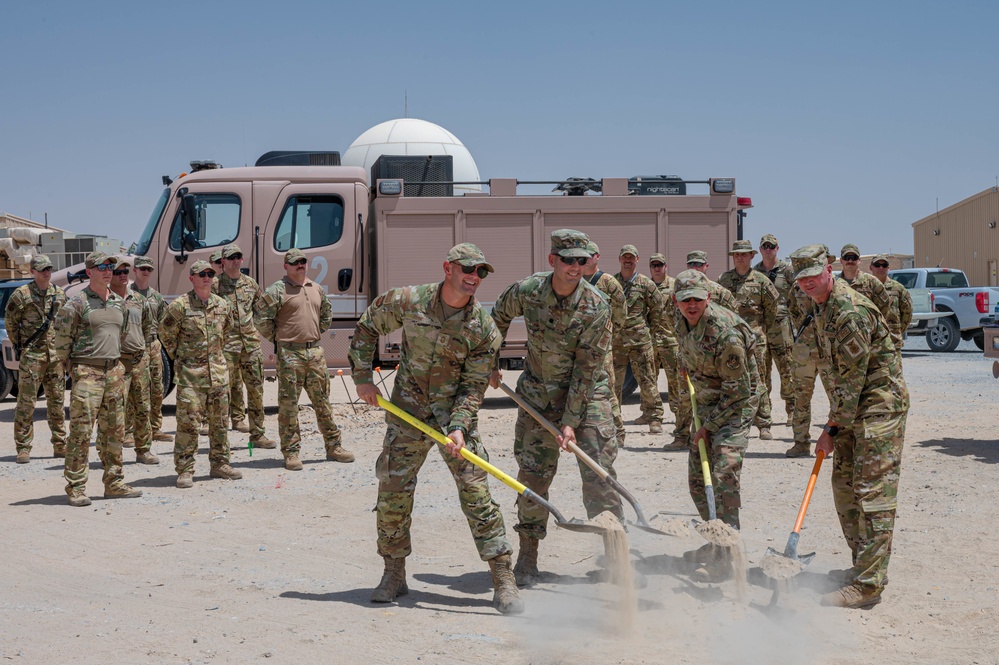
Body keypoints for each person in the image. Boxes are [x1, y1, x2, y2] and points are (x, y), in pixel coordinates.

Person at [349, 243, 523, 615]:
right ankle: (394, 572)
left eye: (481, 272)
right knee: (393, 489)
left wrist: (460, 427)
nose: (474, 277)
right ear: (448, 268)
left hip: (452, 420)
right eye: (468, 269)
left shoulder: (483, 329)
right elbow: (366, 327)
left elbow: (473, 386)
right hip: (408, 412)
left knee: (477, 494)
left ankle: (502, 576)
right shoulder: (409, 300)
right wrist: (363, 377)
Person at [490, 229, 623, 586]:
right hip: (537, 394)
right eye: (568, 260)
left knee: (599, 473)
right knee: (533, 475)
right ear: (552, 260)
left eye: (582, 261)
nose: (575, 267)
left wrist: (570, 422)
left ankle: (615, 559)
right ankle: (528, 557)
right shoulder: (529, 291)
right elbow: (497, 317)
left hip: (587, 394)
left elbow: (586, 367)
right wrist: (490, 357)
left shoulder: (597, 306)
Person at [790, 244, 909, 609]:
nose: (808, 283)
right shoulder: (820, 307)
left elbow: (854, 380)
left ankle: (869, 586)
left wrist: (830, 427)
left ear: (829, 268)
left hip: (877, 409)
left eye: (814, 275)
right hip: (850, 409)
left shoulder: (849, 310)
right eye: (802, 279)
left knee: (872, 493)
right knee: (844, 486)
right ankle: (864, 568)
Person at [53, 251, 143, 507]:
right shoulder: (77, 303)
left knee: (114, 432)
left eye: (110, 267)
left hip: (114, 372)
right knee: (81, 433)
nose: (107, 271)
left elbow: (123, 334)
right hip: (87, 373)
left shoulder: (118, 302)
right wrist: (73, 368)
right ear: (89, 271)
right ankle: (76, 487)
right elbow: (61, 342)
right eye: (101, 266)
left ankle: (113, 483)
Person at [672, 270, 758, 533]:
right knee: (698, 479)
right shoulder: (683, 321)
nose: (692, 306)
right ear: (677, 302)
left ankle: (729, 540)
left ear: (708, 297)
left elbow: (738, 392)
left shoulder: (727, 333)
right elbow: (689, 351)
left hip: (736, 404)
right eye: (686, 300)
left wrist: (707, 428)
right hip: (709, 403)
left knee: (723, 473)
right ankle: (713, 536)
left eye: (697, 299)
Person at [254, 248, 353, 471]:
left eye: (302, 261)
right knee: (289, 406)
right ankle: (291, 453)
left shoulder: (316, 288)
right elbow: (261, 320)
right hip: (290, 355)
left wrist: (314, 333)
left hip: (315, 352)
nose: (300, 265)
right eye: (294, 262)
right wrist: (280, 339)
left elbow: (326, 315)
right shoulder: (277, 290)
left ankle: (334, 446)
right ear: (286, 266)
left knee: (323, 403)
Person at [160, 260, 243, 488]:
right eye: (201, 274)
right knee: (188, 425)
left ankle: (220, 464)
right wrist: (183, 356)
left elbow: (226, 332)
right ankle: (185, 470)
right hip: (190, 376)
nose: (207, 277)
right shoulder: (180, 306)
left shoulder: (222, 305)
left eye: (210, 273)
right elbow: (166, 334)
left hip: (217, 374)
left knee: (219, 423)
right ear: (192, 278)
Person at [213, 243, 276, 449]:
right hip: (226, 347)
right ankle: (220, 440)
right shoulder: (214, 286)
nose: (235, 260)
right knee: (222, 392)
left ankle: (257, 435)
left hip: (250, 346)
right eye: (231, 257)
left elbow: (261, 311)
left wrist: (270, 337)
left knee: (256, 390)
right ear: (223, 261)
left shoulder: (250, 284)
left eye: (238, 257)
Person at [717, 240, 782, 440]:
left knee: (759, 380)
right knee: (731, 378)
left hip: (755, 338)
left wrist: (761, 328)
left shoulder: (762, 281)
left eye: (744, 254)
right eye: (737, 254)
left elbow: (772, 308)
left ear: (752, 256)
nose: (740, 257)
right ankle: (733, 421)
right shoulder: (724, 280)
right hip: (731, 339)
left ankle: (764, 423)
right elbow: (718, 308)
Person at [6, 254, 67, 463]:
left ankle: (60, 444)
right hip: (32, 355)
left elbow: (65, 324)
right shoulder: (21, 295)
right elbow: (11, 324)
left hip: (55, 356)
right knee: (26, 402)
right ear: (32, 272)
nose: (46, 272)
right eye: (42, 269)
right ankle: (23, 447)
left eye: (48, 268)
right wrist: (22, 346)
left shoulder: (59, 294)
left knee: (57, 401)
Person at [97, 257, 158, 465]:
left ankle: (144, 450)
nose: (122, 275)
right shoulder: (105, 300)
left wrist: (146, 351)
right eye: (117, 272)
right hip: (116, 362)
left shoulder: (138, 299)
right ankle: (110, 453)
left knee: (143, 407)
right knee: (114, 410)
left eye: (125, 272)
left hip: (139, 359)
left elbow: (149, 326)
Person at [785, 245, 837, 458]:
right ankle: (800, 442)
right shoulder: (798, 289)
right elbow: (792, 309)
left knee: (836, 398)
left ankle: (839, 440)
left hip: (827, 353)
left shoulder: (835, 290)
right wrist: (807, 331)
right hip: (804, 352)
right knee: (801, 398)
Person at [613, 244, 666, 433]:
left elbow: (658, 308)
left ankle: (654, 418)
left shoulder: (646, 284)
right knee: (614, 382)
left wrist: (649, 330)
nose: (628, 260)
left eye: (631, 257)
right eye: (624, 257)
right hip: (617, 342)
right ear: (619, 259)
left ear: (637, 260)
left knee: (647, 380)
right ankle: (613, 418)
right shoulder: (612, 283)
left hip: (640, 341)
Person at [581, 240, 628, 445]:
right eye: (582, 256)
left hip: (602, 346)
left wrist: (610, 335)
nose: (586, 259)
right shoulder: (575, 281)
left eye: (590, 255)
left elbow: (621, 311)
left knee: (607, 389)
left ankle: (618, 432)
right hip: (580, 346)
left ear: (597, 256)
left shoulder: (608, 282)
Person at [753, 234, 797, 421]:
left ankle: (792, 411)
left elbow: (797, 296)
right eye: (765, 246)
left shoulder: (787, 270)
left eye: (772, 246)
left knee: (787, 370)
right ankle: (765, 412)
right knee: (763, 371)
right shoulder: (755, 272)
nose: (768, 249)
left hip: (782, 327)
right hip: (762, 328)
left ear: (777, 248)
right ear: (761, 249)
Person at [130, 256, 172, 442]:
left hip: (153, 345)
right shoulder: (126, 294)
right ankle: (129, 431)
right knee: (134, 390)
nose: (145, 272)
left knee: (156, 388)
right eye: (142, 268)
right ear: (135, 270)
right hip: (134, 346)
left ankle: (155, 429)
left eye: (148, 269)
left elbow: (165, 323)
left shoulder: (156, 296)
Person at [649, 253, 685, 448]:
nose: (657, 268)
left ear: (665, 266)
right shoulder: (646, 286)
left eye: (660, 265)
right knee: (649, 379)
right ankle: (653, 417)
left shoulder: (674, 286)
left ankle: (679, 415)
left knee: (674, 380)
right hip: (651, 339)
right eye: (654, 265)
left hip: (670, 339)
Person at [869, 254, 913, 361]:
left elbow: (907, 312)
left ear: (888, 268)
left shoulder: (898, 288)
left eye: (884, 265)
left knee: (894, 376)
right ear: (871, 267)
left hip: (892, 342)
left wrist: (896, 331)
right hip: (870, 343)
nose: (881, 268)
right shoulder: (865, 288)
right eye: (877, 265)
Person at [837, 244, 891, 324]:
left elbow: (884, 308)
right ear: (841, 260)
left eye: (854, 258)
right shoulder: (835, 283)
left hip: (866, 332)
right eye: (847, 258)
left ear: (859, 260)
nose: (850, 261)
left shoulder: (872, 282)